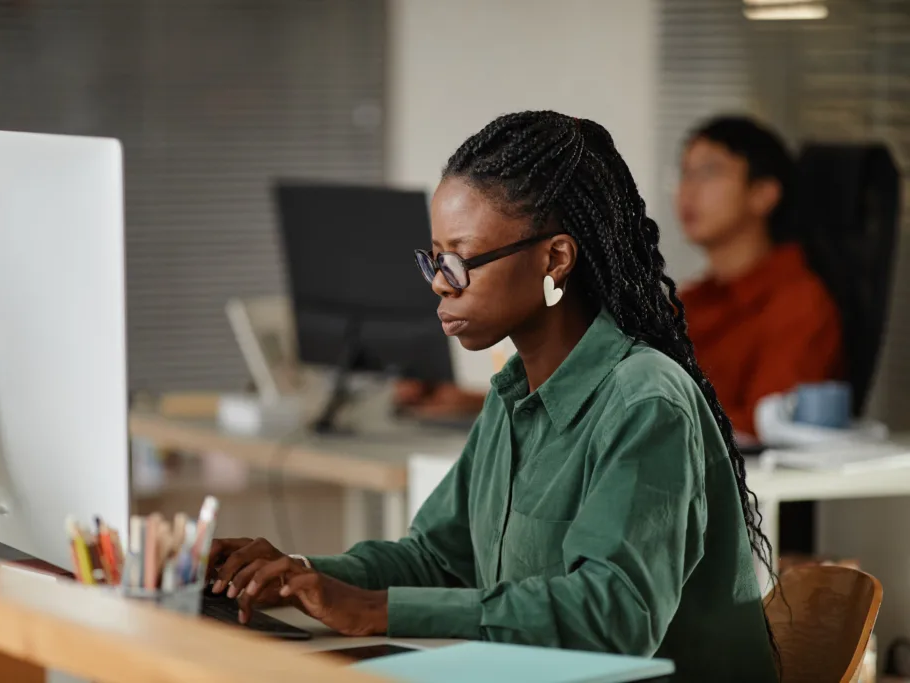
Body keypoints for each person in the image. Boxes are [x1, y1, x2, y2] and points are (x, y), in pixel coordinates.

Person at [208, 112, 778, 682]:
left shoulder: (645, 401)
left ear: (554, 259)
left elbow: (613, 616)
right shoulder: (512, 397)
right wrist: (298, 575)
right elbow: (438, 560)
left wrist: (372, 610)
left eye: (459, 260)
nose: (438, 282)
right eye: (434, 258)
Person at [676, 116, 843, 440]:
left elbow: (765, 428)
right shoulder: (692, 300)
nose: (688, 190)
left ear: (763, 194)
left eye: (710, 172)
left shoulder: (798, 302)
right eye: (685, 173)